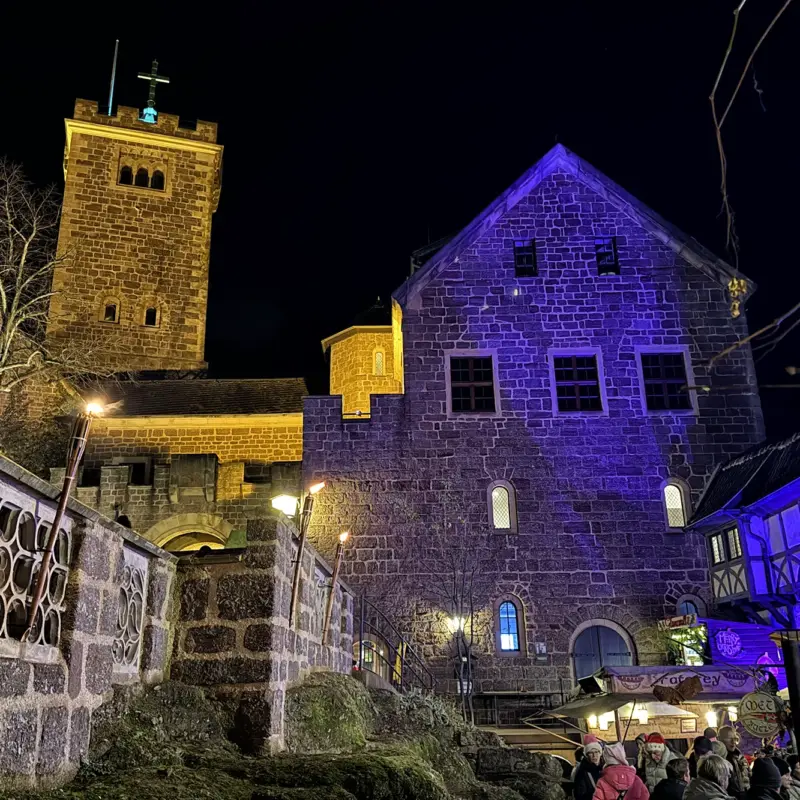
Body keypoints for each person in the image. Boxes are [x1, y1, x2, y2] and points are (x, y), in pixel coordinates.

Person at [719, 726, 750, 800]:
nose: (733, 742)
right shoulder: (718, 760)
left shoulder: (740, 758)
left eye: (735, 738)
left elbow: (749, 776)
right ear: (720, 739)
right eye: (729, 738)